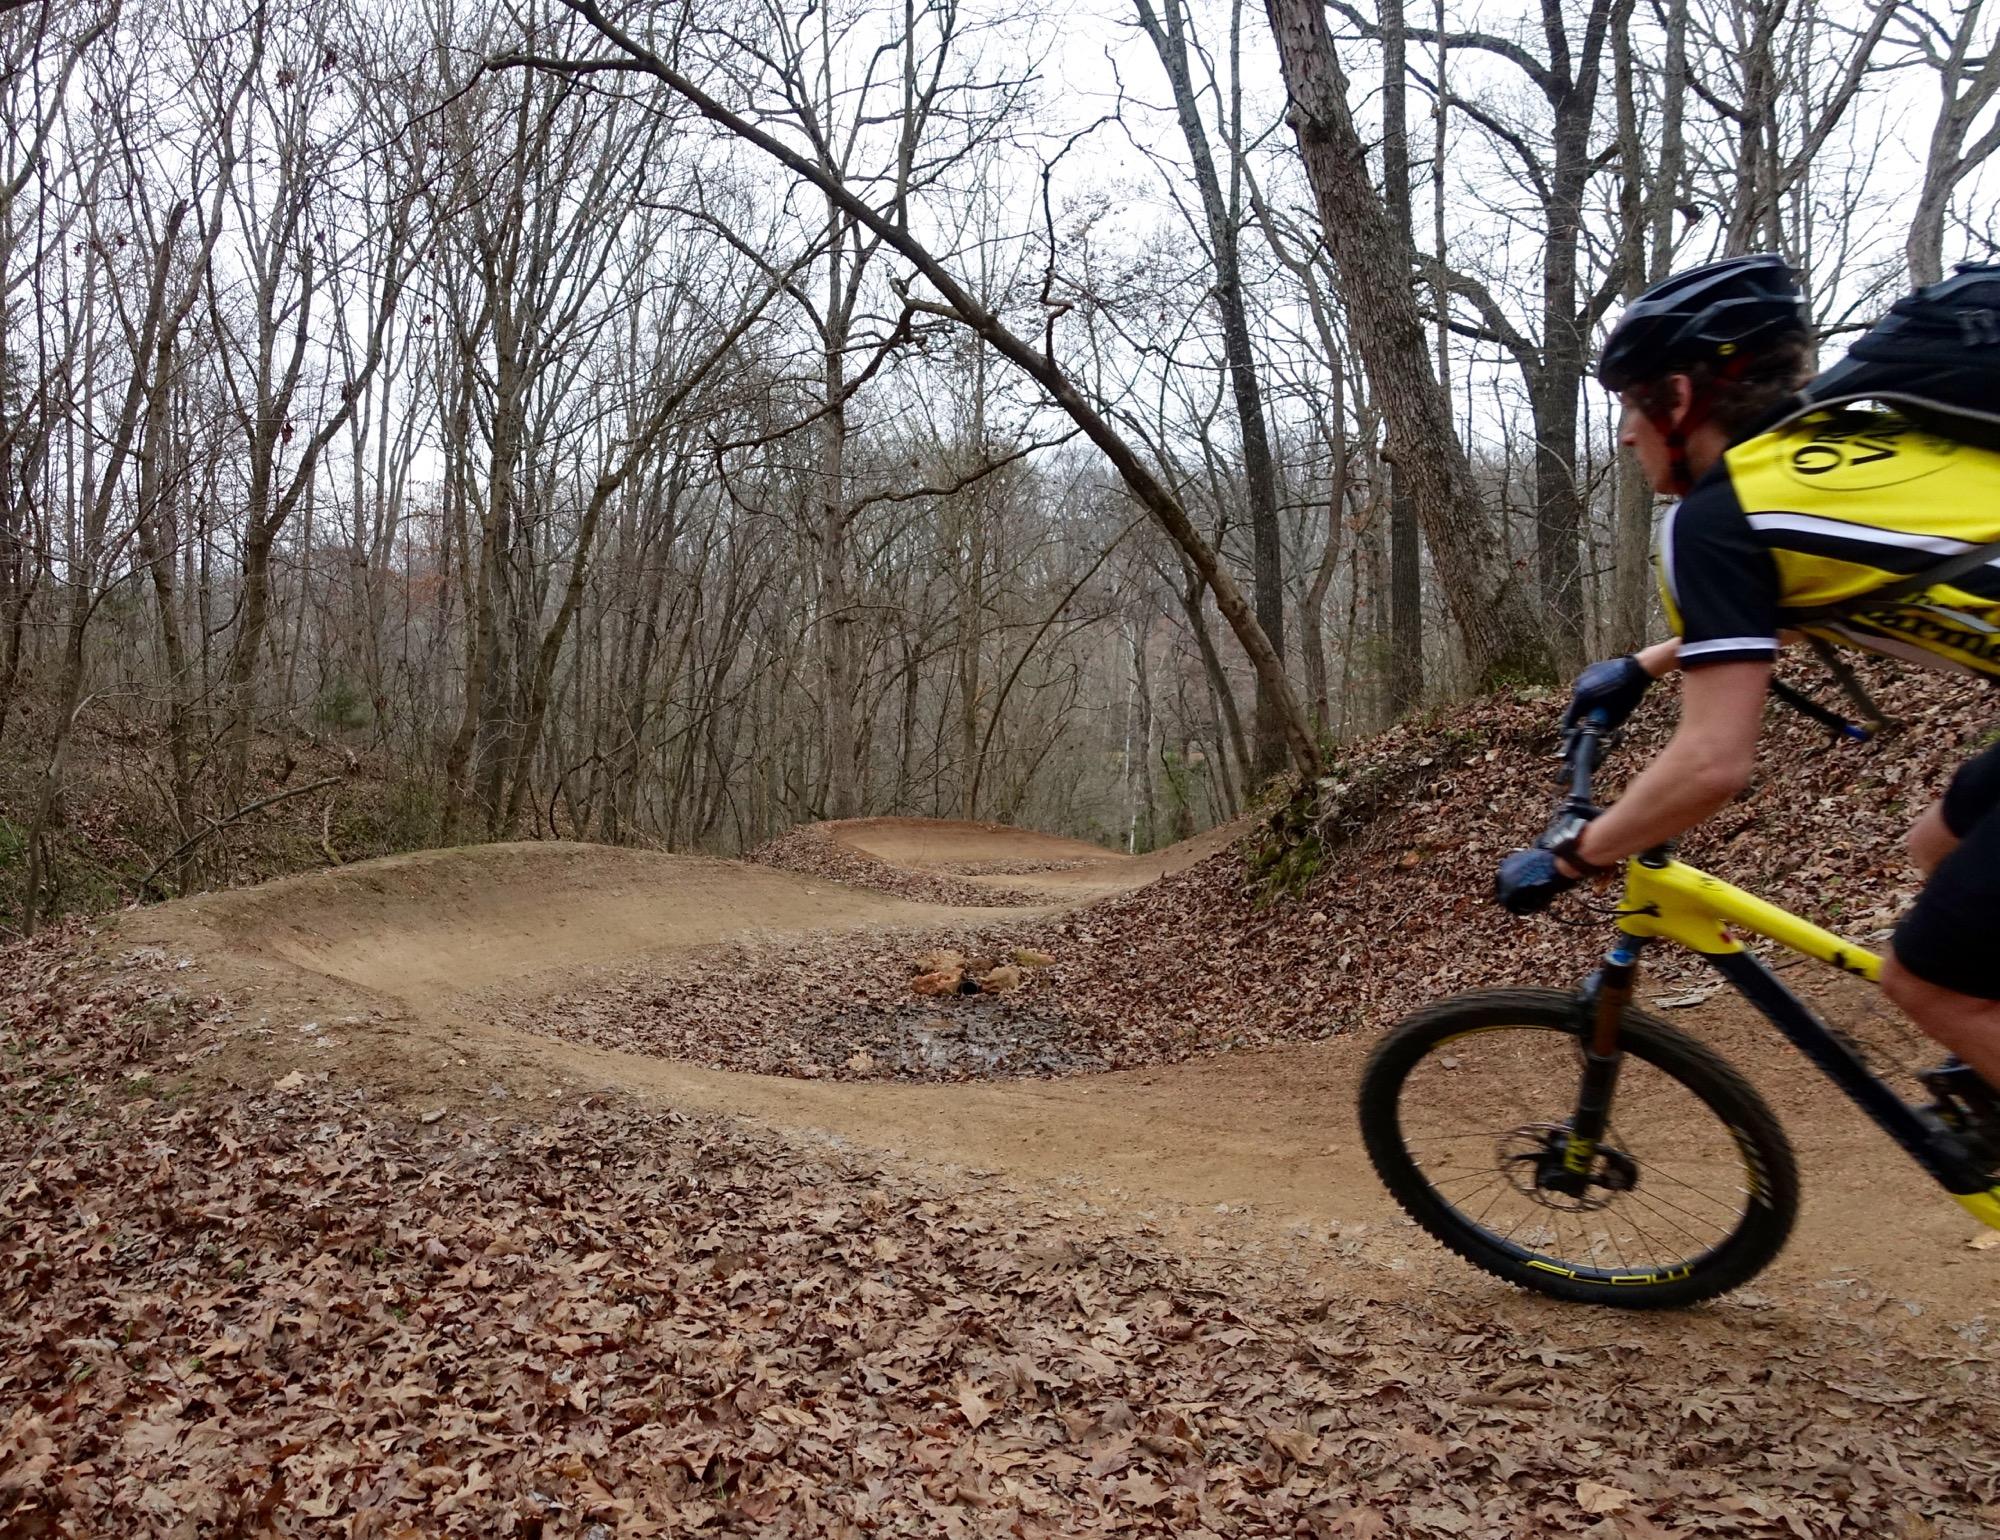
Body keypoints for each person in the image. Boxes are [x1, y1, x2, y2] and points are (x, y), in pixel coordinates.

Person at [1496, 253, 2000, 1091]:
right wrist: (1646, 665)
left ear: (1679, 400)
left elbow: (1711, 763)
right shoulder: (1828, 450)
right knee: (1935, 843)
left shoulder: (1717, 519)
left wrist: (1573, 858)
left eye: (1629, 403)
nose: (1625, 433)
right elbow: (1838, 587)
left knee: (1930, 985)